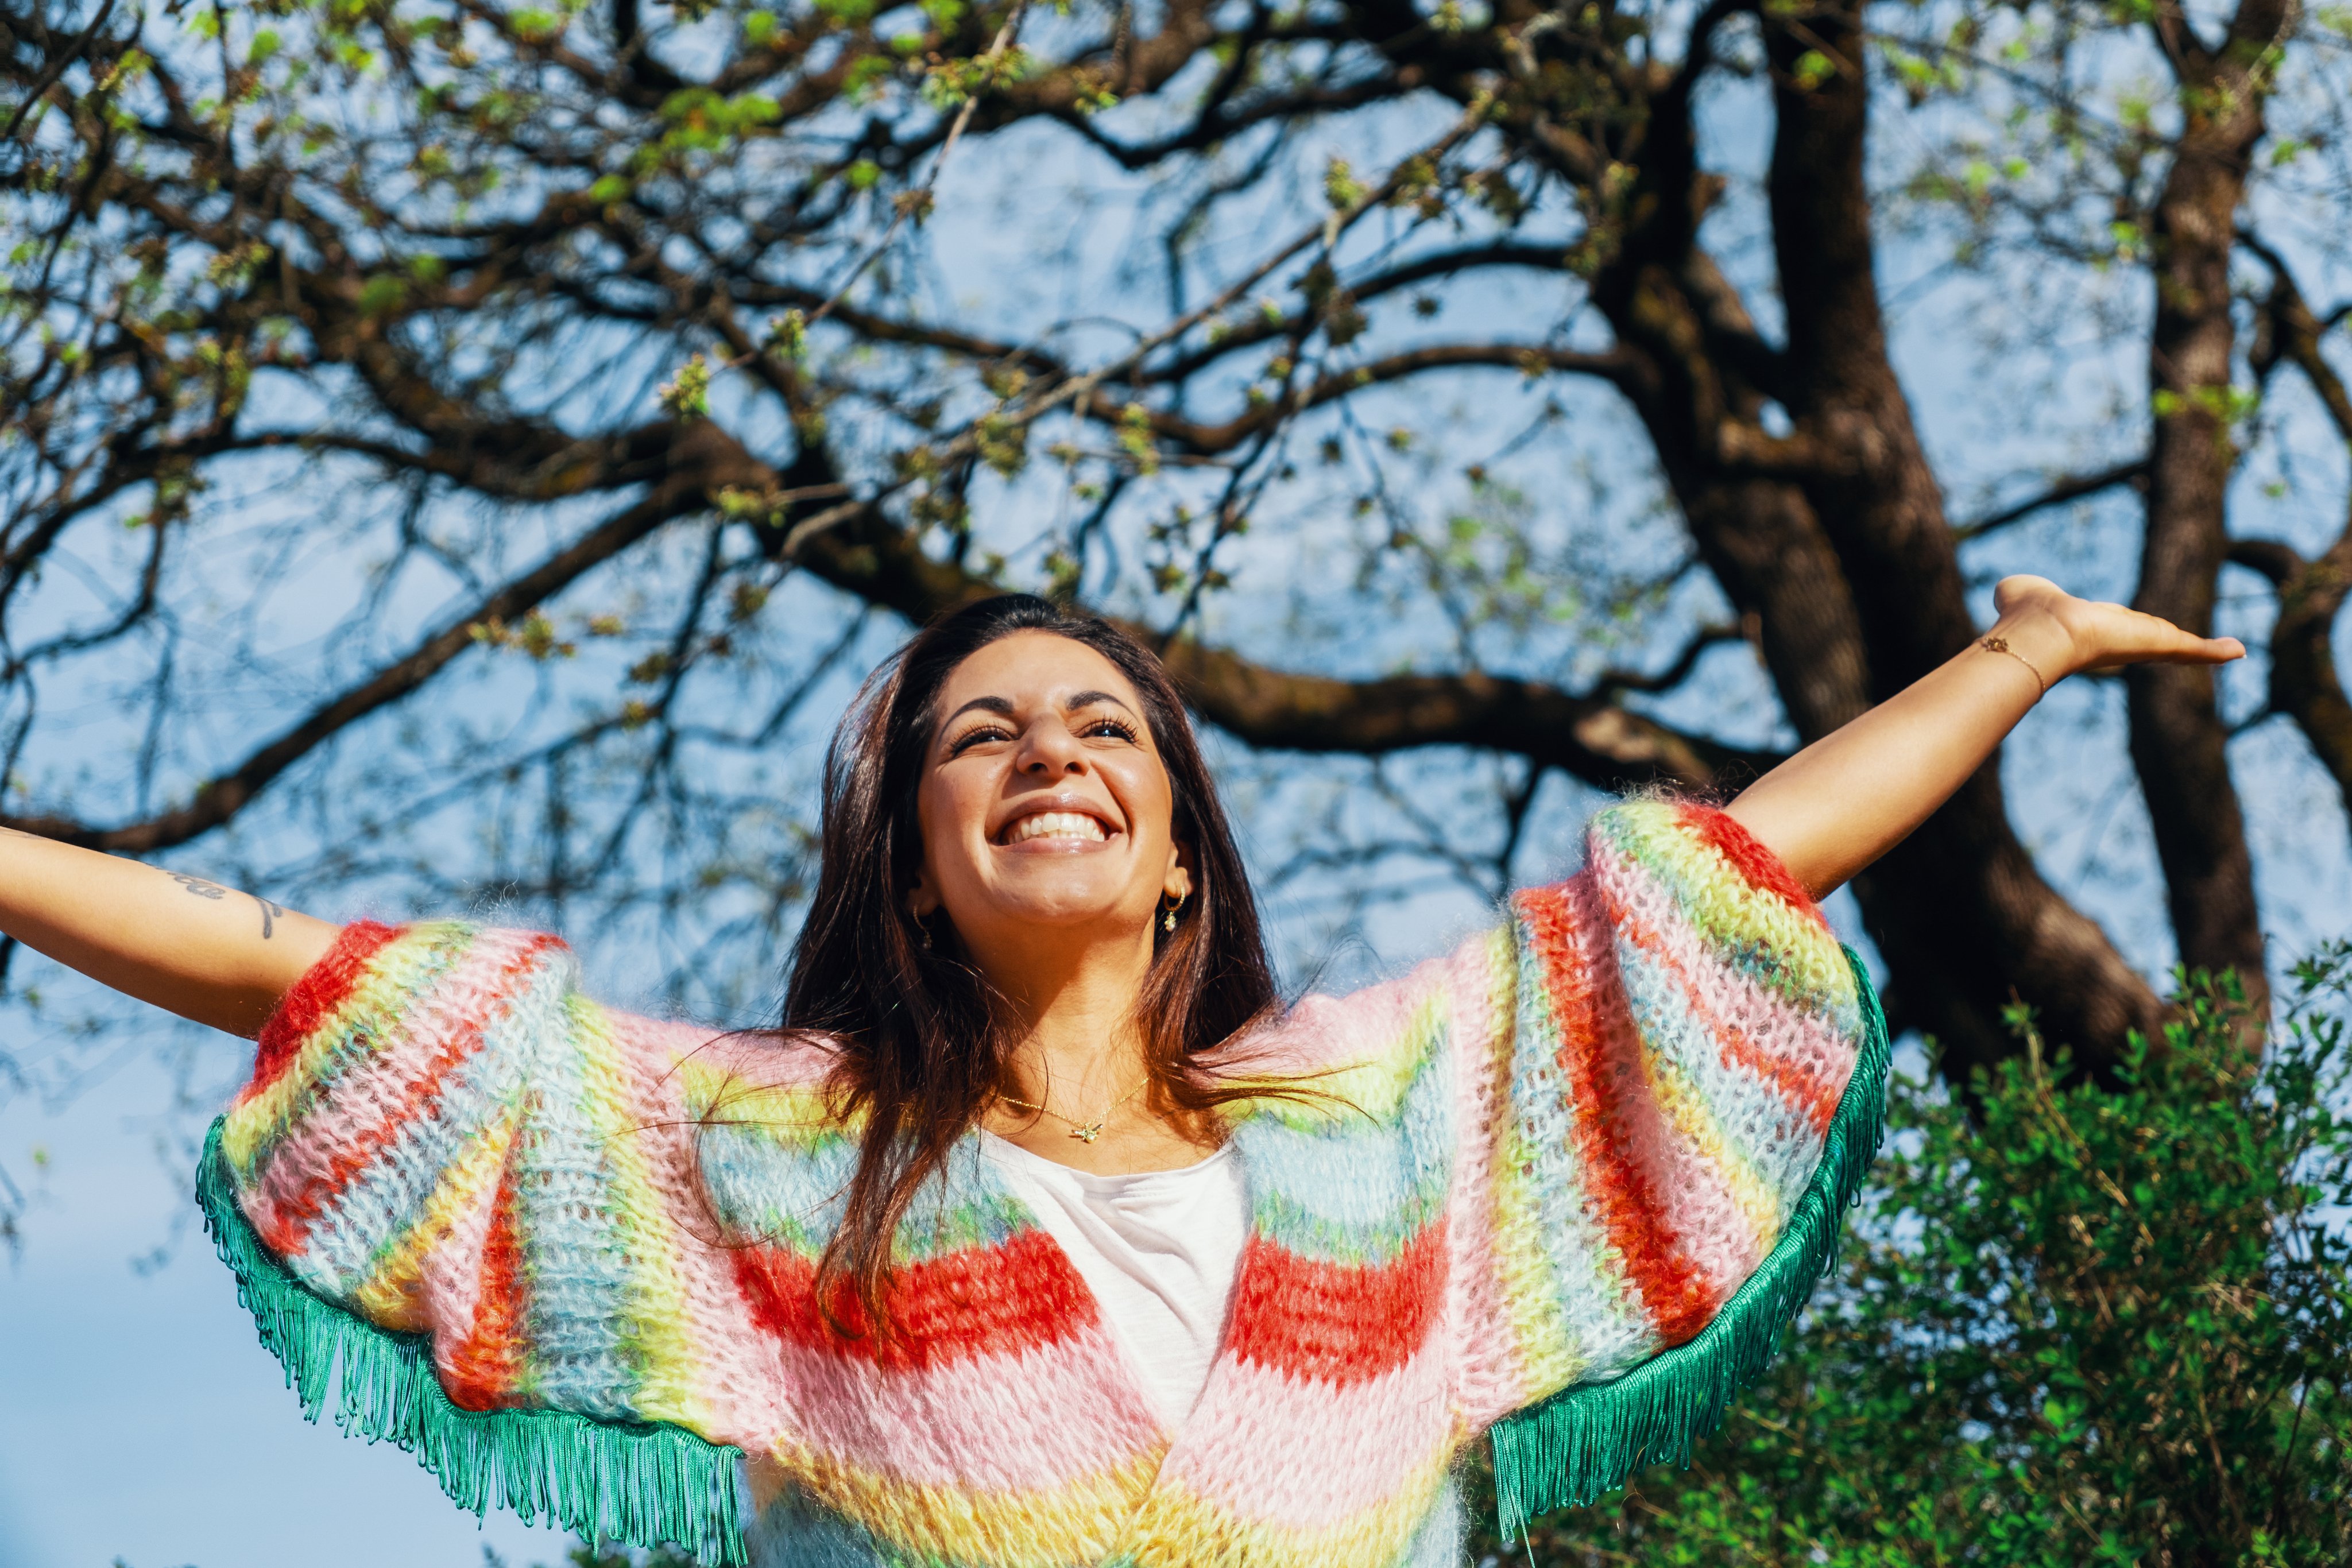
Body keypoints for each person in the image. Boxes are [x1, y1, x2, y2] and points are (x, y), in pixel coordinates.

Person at [0, 576, 2238, 1567]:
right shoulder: (764, 1146)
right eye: (982, 731)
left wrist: (2013, 653)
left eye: (1103, 727)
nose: (1049, 747)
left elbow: (1739, 866)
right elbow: (298, 964)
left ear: (1179, 848)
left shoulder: (1376, 1117)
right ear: (909, 861)